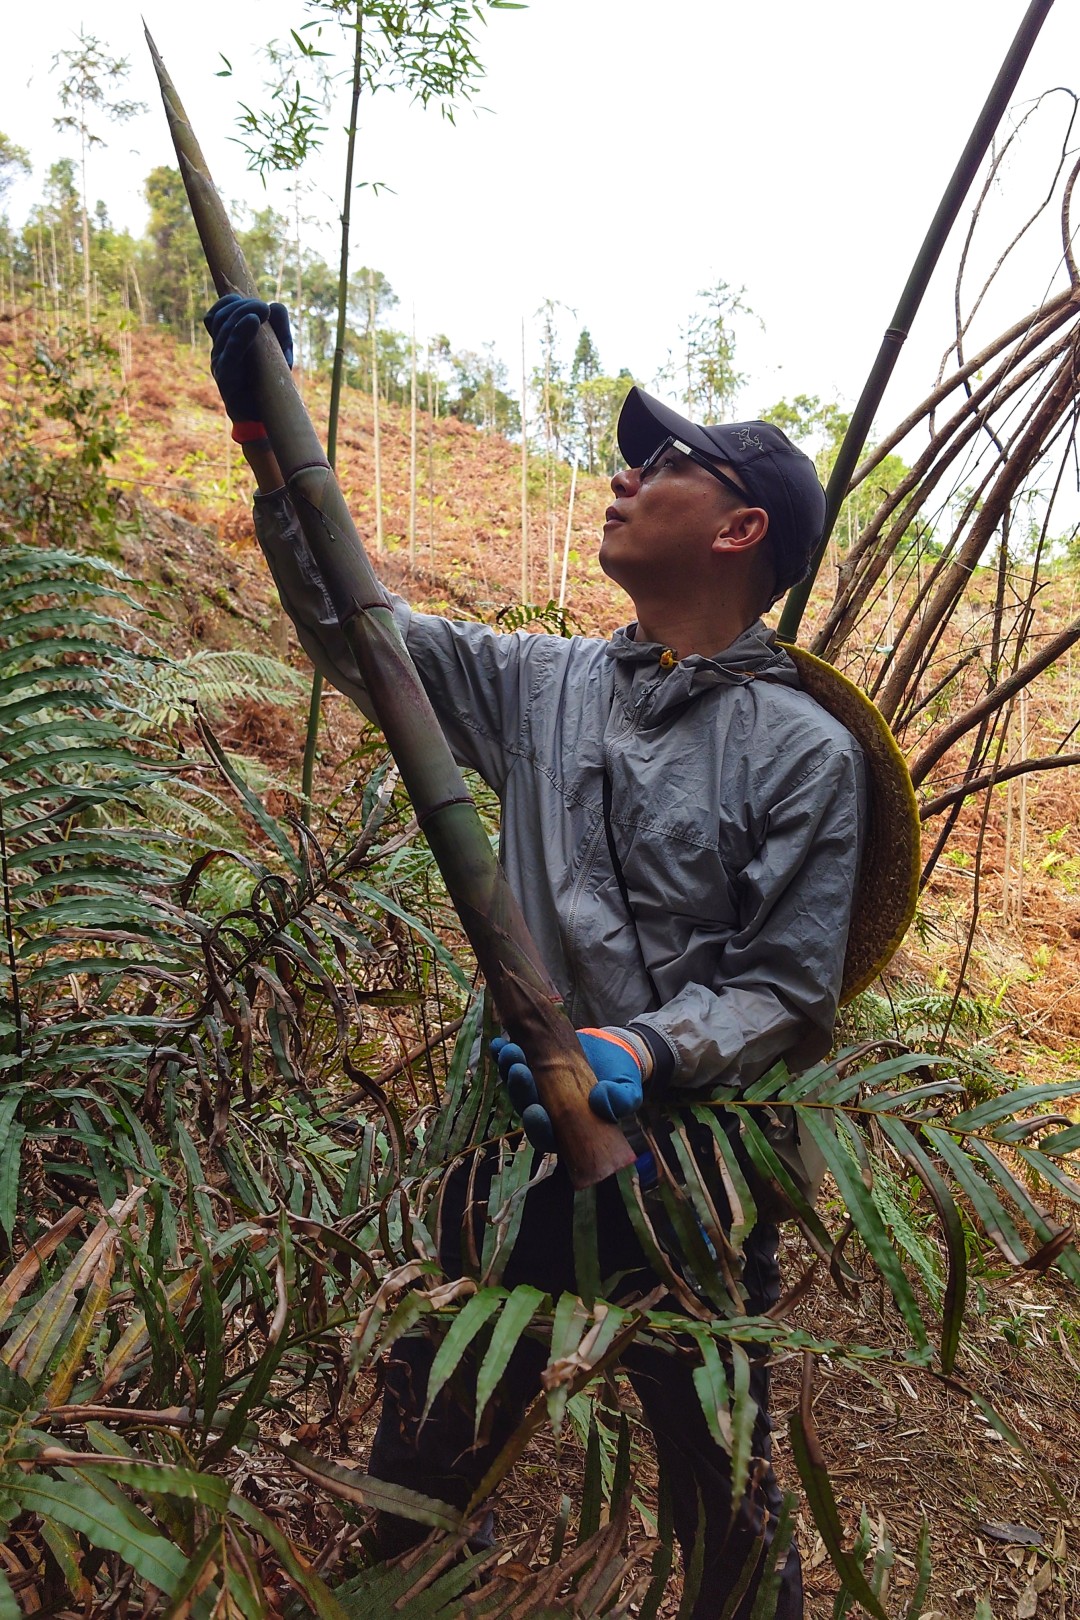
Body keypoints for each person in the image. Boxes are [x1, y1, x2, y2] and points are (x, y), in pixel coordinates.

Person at [205, 293, 868, 1619]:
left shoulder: (807, 752)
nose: (623, 478)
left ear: (740, 531)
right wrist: (271, 445)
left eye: (664, 464)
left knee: (723, 1490)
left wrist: (646, 1049)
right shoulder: (542, 683)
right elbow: (361, 633)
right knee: (427, 1440)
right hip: (509, 1151)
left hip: (691, 1172)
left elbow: (788, 986)